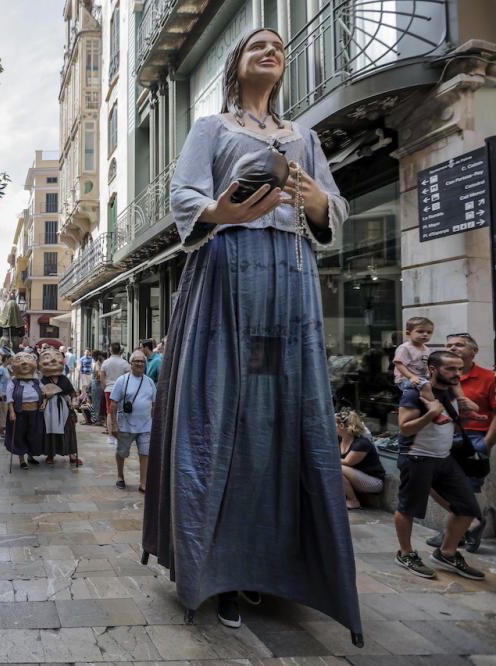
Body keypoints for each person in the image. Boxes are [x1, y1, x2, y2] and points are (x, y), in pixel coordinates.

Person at [140, 28, 363, 640]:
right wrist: (223, 211)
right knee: (224, 418)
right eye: (256, 45)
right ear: (237, 67)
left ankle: (279, 565)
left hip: (289, 284)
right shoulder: (212, 129)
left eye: (279, 47)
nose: (271, 51)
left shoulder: (306, 139)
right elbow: (186, 196)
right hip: (226, 275)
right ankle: (223, 570)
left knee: (281, 419)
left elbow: (332, 212)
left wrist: (318, 199)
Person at [393, 351, 485, 581]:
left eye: (459, 369)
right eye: (450, 369)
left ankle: (447, 553)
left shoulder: (452, 392)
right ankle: (405, 553)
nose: (457, 374)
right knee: (408, 508)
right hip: (417, 457)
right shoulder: (414, 394)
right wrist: (429, 415)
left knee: (468, 507)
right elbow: (405, 429)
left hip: (444, 458)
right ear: (432, 369)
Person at [425, 333, 495, 552]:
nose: (453, 348)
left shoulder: (488, 378)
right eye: (449, 345)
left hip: (475, 437)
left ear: (473, 351)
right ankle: (470, 522)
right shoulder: (439, 378)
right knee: (432, 481)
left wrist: (487, 443)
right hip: (445, 437)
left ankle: (457, 533)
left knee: (470, 486)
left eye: (459, 345)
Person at [393, 317, 476, 412]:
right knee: (425, 385)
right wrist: (411, 377)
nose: (425, 334)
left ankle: (463, 402)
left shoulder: (426, 349)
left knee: (453, 382)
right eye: (420, 331)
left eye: (429, 332)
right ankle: (435, 409)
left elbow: (428, 365)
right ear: (408, 333)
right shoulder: (405, 348)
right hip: (406, 379)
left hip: (422, 377)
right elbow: (398, 364)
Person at [110, 351, 156, 492]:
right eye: (136, 361)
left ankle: (143, 482)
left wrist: (153, 422)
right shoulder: (122, 381)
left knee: (145, 453)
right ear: (131, 364)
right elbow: (113, 404)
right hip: (126, 425)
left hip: (145, 426)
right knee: (122, 452)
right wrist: (114, 424)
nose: (139, 364)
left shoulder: (149, 382)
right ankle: (120, 476)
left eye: (142, 361)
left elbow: (154, 404)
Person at [40, 349, 82, 466]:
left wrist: (74, 400)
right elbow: (39, 393)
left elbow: (72, 392)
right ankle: (50, 454)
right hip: (49, 408)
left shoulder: (64, 379)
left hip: (63, 407)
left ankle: (72, 454)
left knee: (68, 429)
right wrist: (45, 395)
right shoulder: (44, 379)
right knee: (50, 429)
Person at [336, 409, 385, 509]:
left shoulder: (361, 443)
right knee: (334, 468)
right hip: (356, 477)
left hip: (373, 482)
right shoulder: (339, 440)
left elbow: (347, 462)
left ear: (341, 426)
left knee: (337, 468)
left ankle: (353, 501)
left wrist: (328, 459)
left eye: (335, 425)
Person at [4, 352, 45, 469]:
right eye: (19, 359)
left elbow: (44, 392)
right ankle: (22, 460)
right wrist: (12, 412)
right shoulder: (13, 382)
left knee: (34, 434)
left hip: (35, 413)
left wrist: (48, 395)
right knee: (19, 435)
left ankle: (31, 456)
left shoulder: (36, 381)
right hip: (19, 413)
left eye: (28, 359)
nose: (24, 362)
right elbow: (9, 398)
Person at [100, 343, 130, 446]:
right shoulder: (125, 363)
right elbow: (129, 377)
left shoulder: (105, 363)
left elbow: (102, 377)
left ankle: (111, 436)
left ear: (110, 350)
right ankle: (118, 436)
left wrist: (104, 387)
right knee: (120, 413)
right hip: (122, 390)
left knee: (109, 412)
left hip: (109, 389)